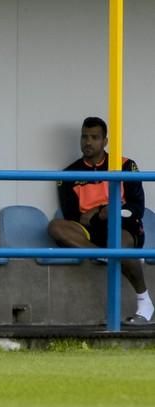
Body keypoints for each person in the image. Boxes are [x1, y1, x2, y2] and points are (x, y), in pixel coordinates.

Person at [48, 116, 153, 325]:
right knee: (56, 227)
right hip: (91, 231)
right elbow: (72, 215)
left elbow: (136, 208)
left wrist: (106, 210)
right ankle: (104, 254)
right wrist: (100, 213)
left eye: (94, 137)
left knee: (119, 243)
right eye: (84, 137)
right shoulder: (69, 173)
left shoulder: (126, 165)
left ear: (105, 141)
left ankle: (145, 302)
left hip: (123, 224)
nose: (88, 142)